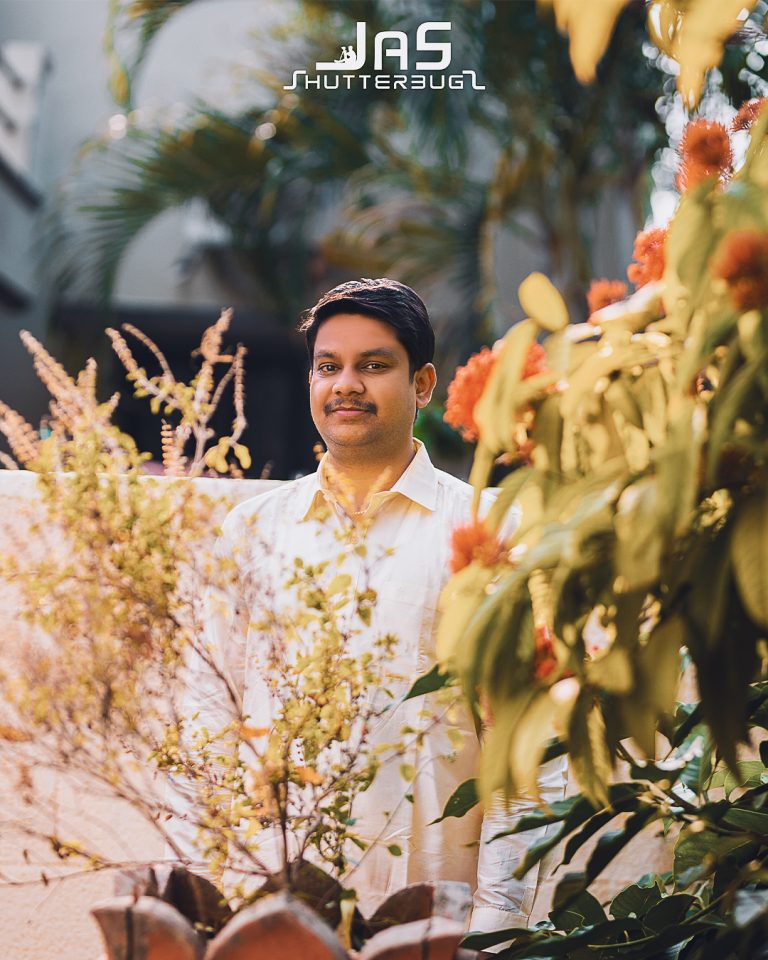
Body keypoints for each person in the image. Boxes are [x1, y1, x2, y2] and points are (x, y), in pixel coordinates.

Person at [171, 278, 566, 941]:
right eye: (329, 366)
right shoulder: (252, 534)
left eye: (373, 365)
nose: (344, 384)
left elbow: (529, 745)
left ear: (424, 384)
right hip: (274, 911)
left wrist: (497, 922)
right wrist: (218, 893)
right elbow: (205, 721)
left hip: (433, 916)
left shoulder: (492, 531)